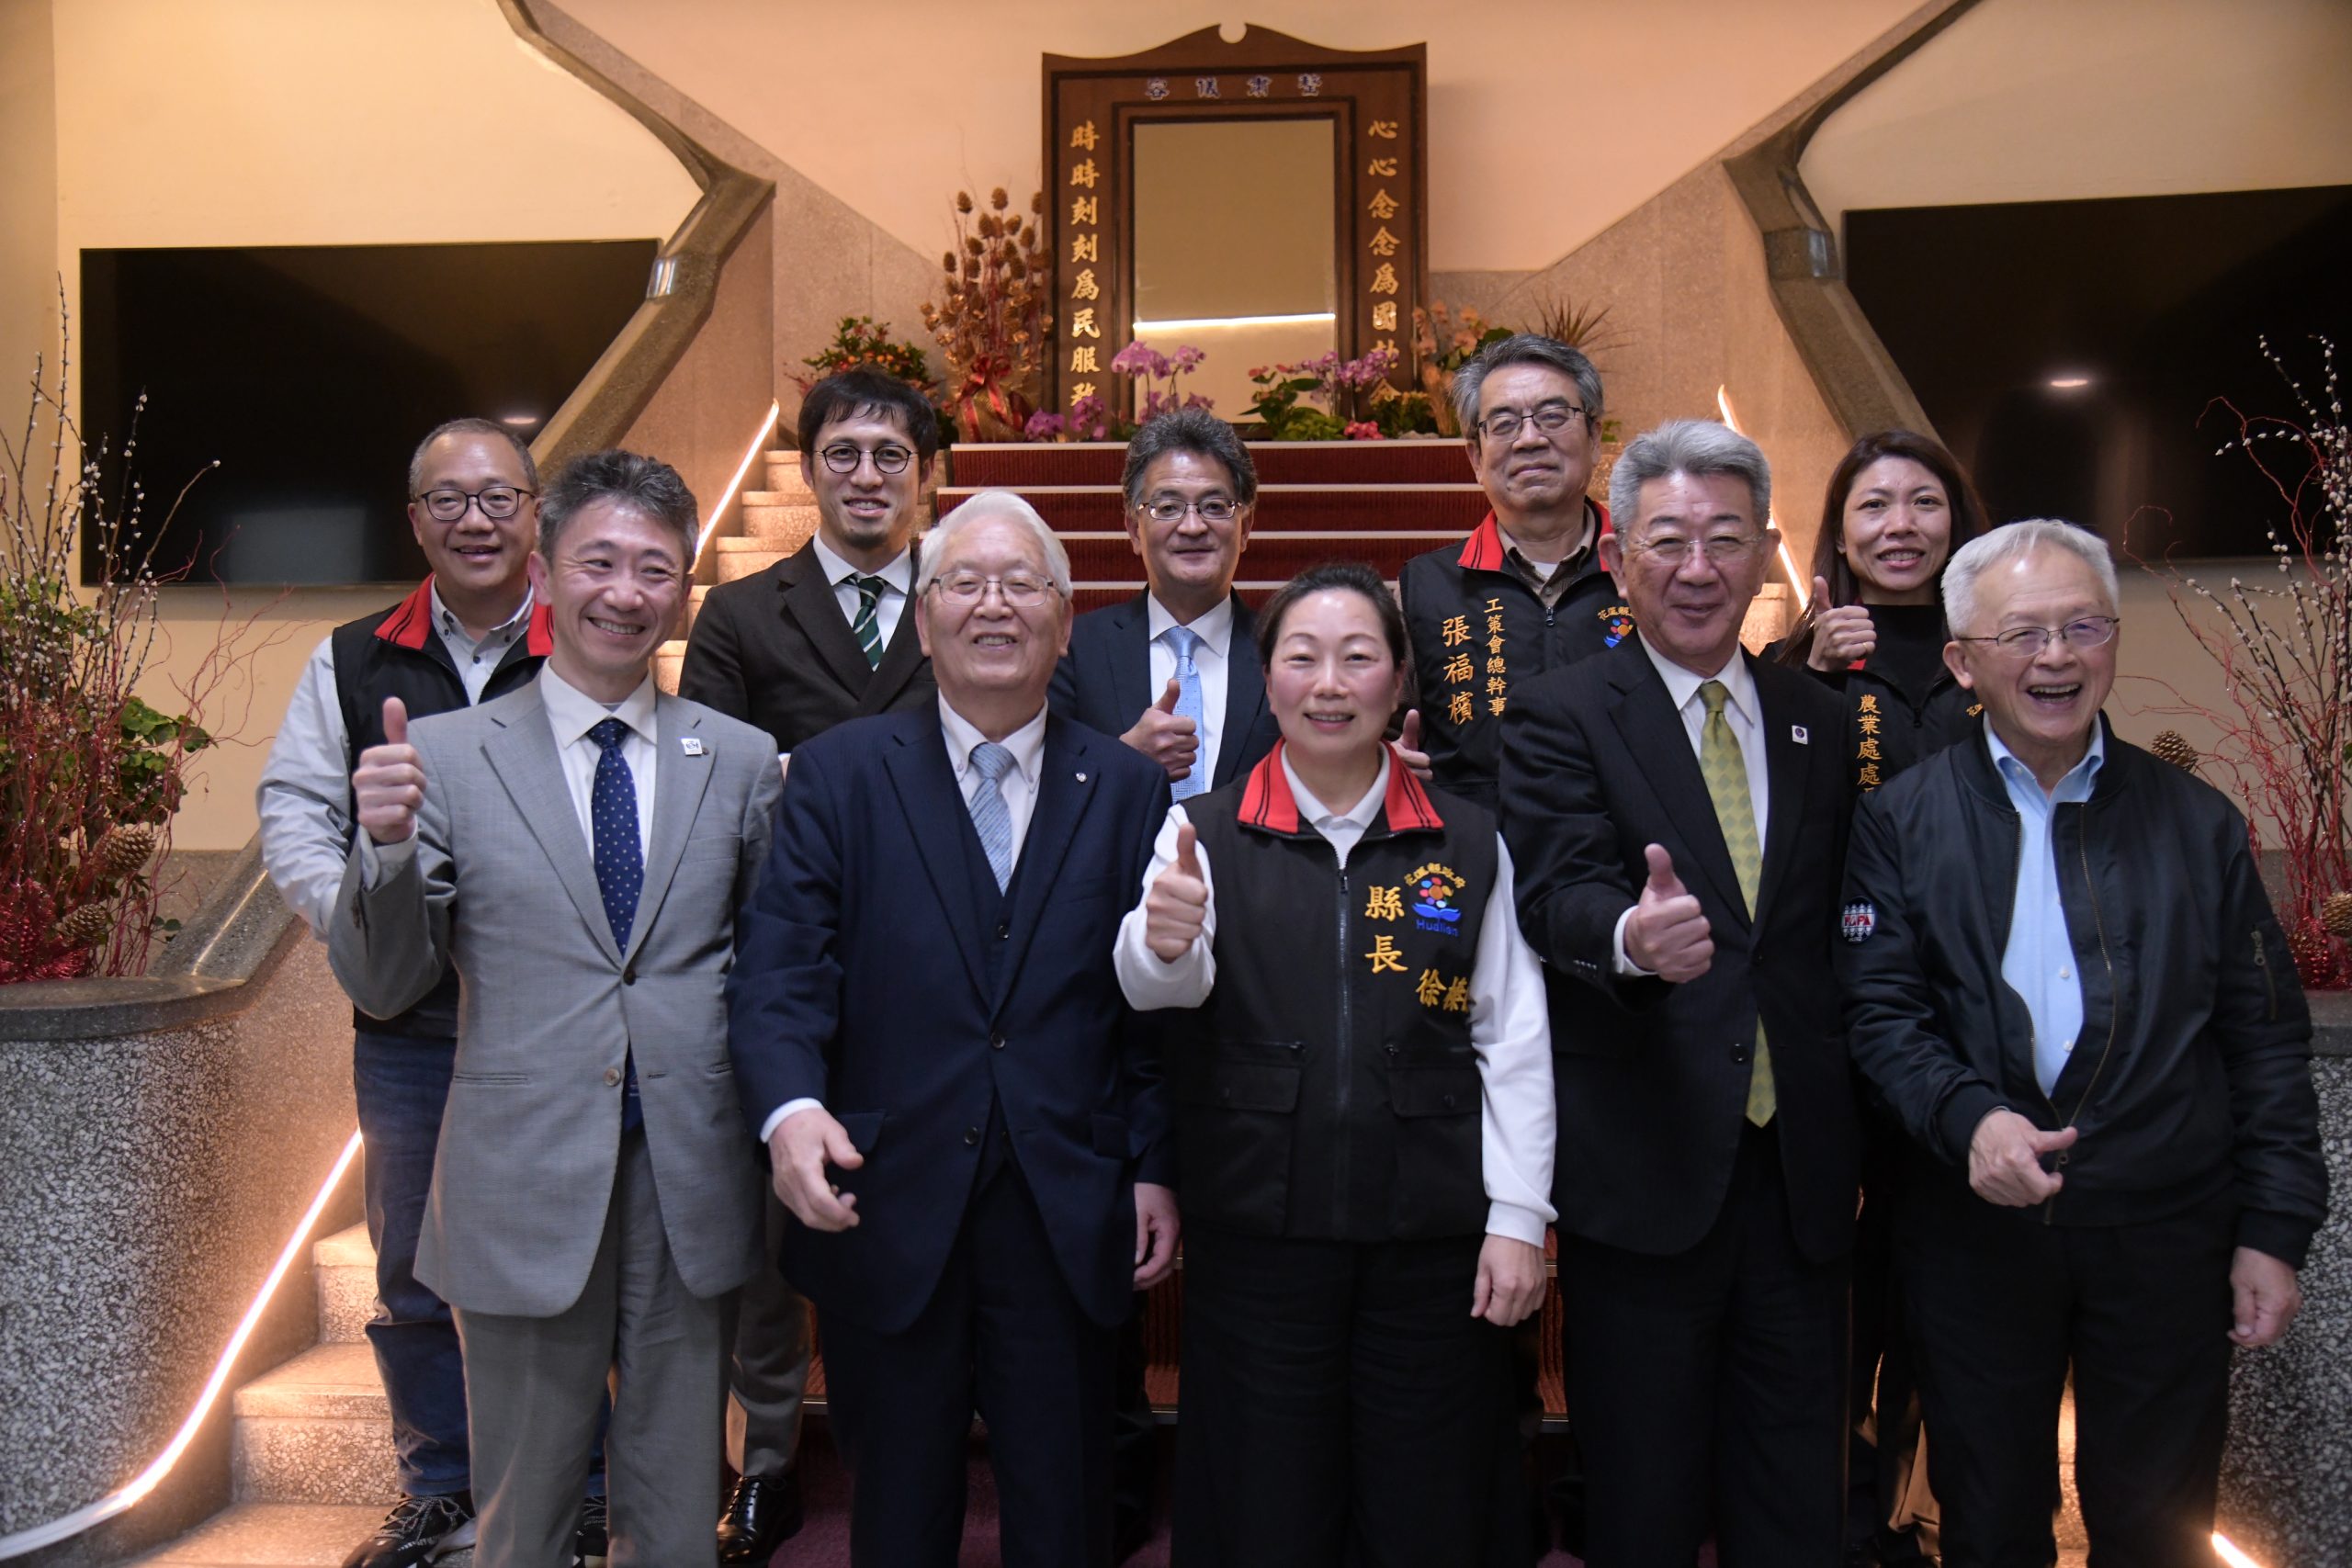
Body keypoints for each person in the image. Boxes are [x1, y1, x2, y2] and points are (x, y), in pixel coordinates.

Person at [1839, 519, 2328, 1568]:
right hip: (1974, 1233)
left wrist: (2274, 1229)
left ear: (2112, 642)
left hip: (2165, 1229)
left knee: (2158, 1523)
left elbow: (2264, 1041)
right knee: (1986, 1518)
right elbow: (1879, 1011)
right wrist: (1969, 1121)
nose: (2055, 657)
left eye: (2080, 628)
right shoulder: (1900, 819)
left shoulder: (2197, 822)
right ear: (1964, 661)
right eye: (2021, 633)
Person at [330, 450, 784, 1568]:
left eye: (655, 571)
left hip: (690, 1172)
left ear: (682, 591)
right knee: (522, 1511)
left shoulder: (741, 759)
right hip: (519, 1173)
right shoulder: (442, 758)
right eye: (599, 563)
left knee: (677, 1509)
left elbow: (774, 971)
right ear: (545, 571)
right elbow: (385, 983)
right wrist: (382, 850)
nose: (625, 593)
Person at [728, 491, 1180, 1567]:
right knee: (896, 1513)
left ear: (1065, 625)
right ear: (922, 620)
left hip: (1064, 1200)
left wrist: (1155, 1164)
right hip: (880, 1198)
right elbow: (782, 967)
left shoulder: (1123, 788)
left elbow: (1150, 1010)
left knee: (1063, 1507)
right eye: (963, 584)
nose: (993, 606)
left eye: (1022, 585)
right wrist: (789, 1110)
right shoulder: (836, 774)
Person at [1116, 560, 1555, 1567]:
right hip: (1261, 1229)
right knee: (1269, 1503)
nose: (1327, 683)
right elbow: (1152, 991)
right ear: (1265, 680)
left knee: (1428, 1502)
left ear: (1399, 681)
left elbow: (1513, 1037)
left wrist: (1519, 1218)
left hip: (1434, 1234)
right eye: (1301, 658)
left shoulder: (1469, 840)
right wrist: (1164, 941)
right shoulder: (1201, 830)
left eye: (1357, 658)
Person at [1498, 419, 1858, 1566]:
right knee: (1641, 1500)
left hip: (1799, 1175)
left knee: (1794, 1494)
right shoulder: (1562, 712)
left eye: (1723, 540)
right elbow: (1552, 898)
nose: (1696, 569)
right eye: (1667, 541)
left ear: (1763, 553)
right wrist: (1628, 939)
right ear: (1618, 559)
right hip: (1645, 1166)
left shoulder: (1820, 719)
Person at [255, 418, 613, 1568]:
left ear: (534, 514)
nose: (476, 519)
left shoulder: (590, 643)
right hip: (408, 1030)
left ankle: (589, 1486)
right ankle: (442, 1488)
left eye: (499, 498)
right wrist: (361, 918)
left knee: (571, 1260)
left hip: (552, 1020)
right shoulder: (352, 658)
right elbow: (293, 814)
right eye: (448, 500)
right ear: (415, 521)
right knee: (411, 1265)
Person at [680, 365, 943, 1560]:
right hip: (789, 947)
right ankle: (770, 1457)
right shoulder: (741, 614)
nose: (868, 475)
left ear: (928, 472)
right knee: (764, 1231)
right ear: (811, 468)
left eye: (892, 454)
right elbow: (720, 781)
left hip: (942, 956)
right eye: (843, 452)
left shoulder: (971, 592)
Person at [1046, 405, 1279, 1557]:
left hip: (1258, 996)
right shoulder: (1072, 648)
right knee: (1104, 1261)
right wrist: (1117, 767)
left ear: (1248, 521)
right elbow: (1023, 807)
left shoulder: (1297, 643)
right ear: (1129, 524)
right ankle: (1120, 1477)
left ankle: (1242, 1484)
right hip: (1100, 989)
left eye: (1212, 505)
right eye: (1166, 505)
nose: (1190, 524)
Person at [1767, 427, 1989, 1564]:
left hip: (1968, 1031)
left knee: (1941, 1291)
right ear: (1838, 533)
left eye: (1924, 504)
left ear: (1959, 521)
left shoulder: (1994, 658)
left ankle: (1919, 1513)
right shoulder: (1801, 663)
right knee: (1835, 1288)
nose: (1899, 527)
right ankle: (1838, 1514)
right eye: (1873, 507)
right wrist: (1800, 666)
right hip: (1831, 1019)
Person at [1399, 333, 1626, 811]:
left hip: (1628, 856)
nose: (1529, 439)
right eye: (1503, 423)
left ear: (1595, 437)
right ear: (1476, 458)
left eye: (1553, 416)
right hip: (1480, 857)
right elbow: (1385, 725)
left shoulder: (1643, 571)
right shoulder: (1425, 586)